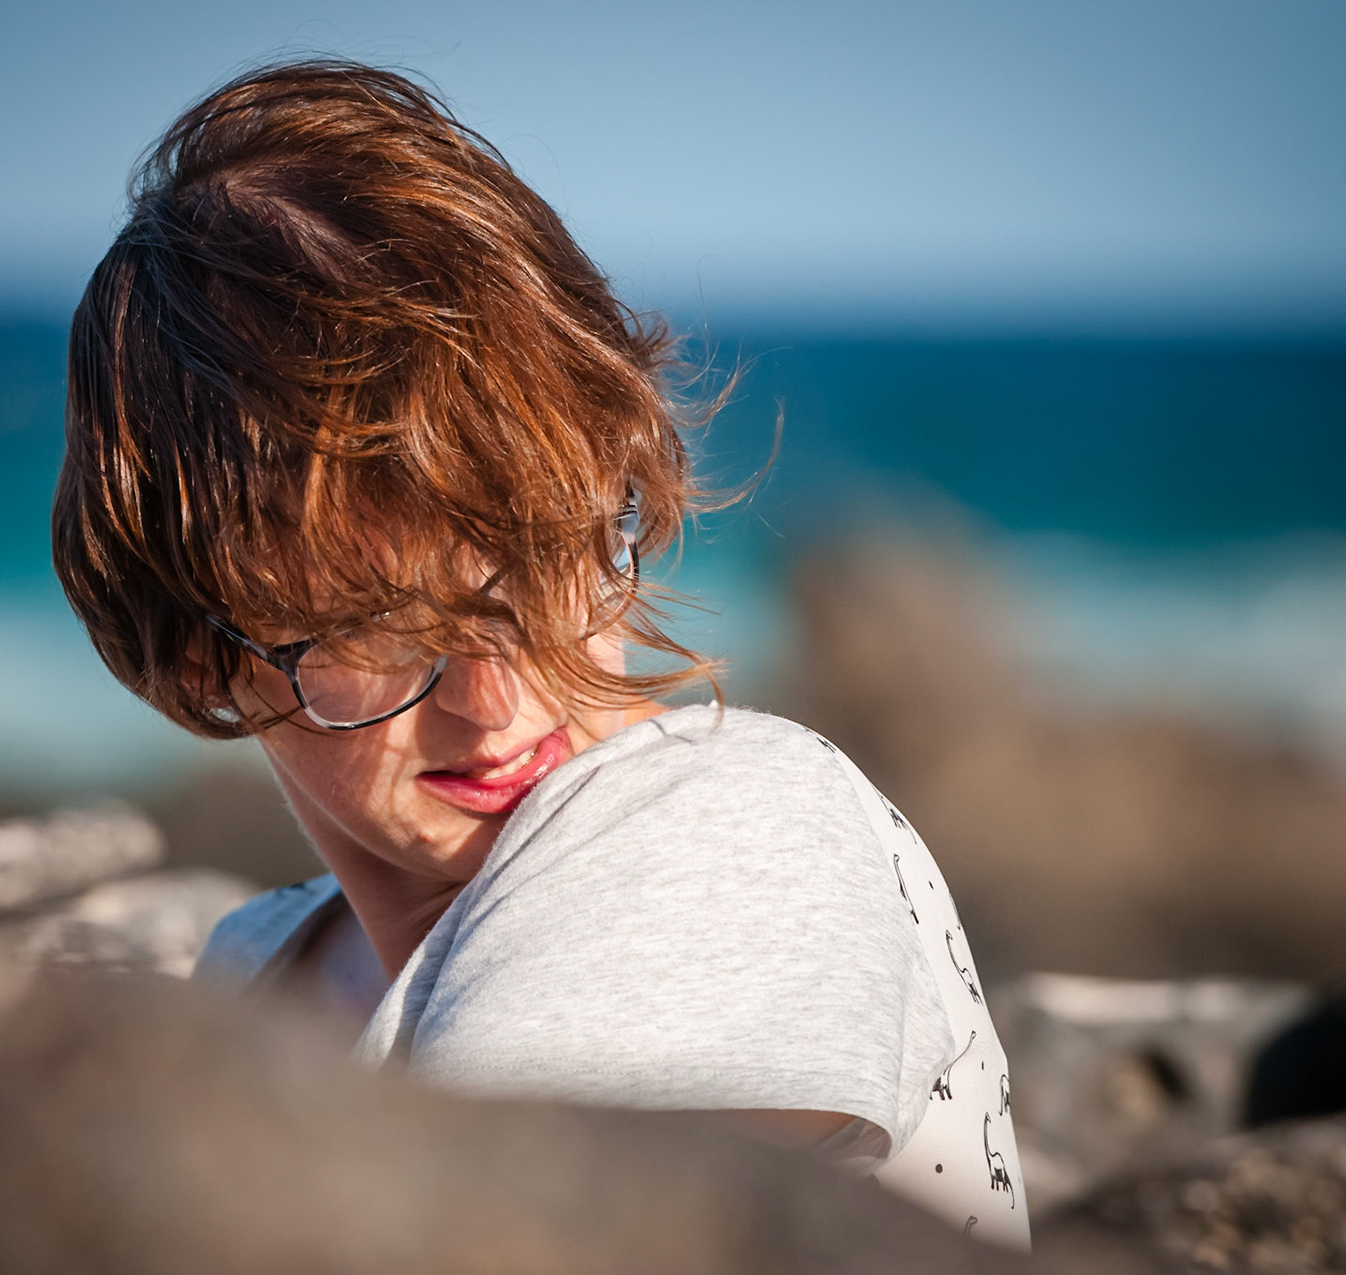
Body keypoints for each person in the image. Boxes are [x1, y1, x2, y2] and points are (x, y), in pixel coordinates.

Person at [52, 60, 1029, 1248]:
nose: (499, 699)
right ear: (203, 649)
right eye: (381, 623)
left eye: (550, 557)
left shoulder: (723, 826)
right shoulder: (257, 967)